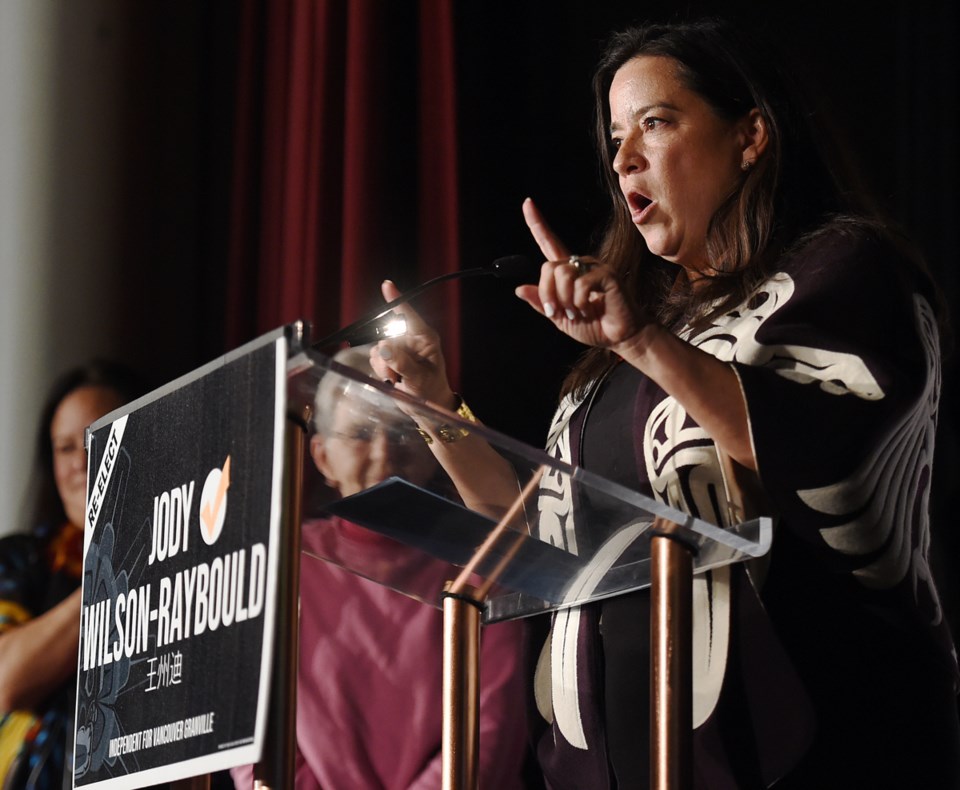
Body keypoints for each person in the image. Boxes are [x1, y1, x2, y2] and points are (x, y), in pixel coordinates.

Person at [369, 17, 960, 789]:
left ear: (751, 135)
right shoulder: (619, 353)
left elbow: (823, 456)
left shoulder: (844, 271)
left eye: (655, 123)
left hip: (810, 755)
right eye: (615, 137)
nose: (623, 160)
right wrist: (434, 407)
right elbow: (542, 540)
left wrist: (642, 340)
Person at [231, 346, 529, 789]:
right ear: (322, 456)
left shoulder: (483, 564)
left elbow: (491, 732)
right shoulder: (279, 563)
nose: (386, 452)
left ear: (432, 452)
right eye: (362, 433)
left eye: (404, 433)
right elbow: (252, 730)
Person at [0, 360, 143, 789]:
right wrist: (117, 564)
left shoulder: (182, 547)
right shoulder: (25, 559)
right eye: (64, 448)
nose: (79, 462)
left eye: (94, 439)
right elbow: (7, 680)